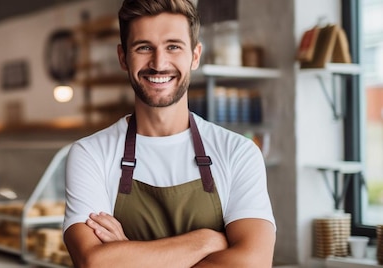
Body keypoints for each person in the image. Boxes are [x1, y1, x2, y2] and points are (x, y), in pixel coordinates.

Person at [62, 0, 276, 267]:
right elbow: (95, 262)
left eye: (173, 46)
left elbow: (253, 264)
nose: (159, 63)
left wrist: (128, 252)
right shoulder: (90, 154)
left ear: (195, 56)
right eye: (143, 47)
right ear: (122, 58)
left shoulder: (238, 153)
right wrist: (206, 241)